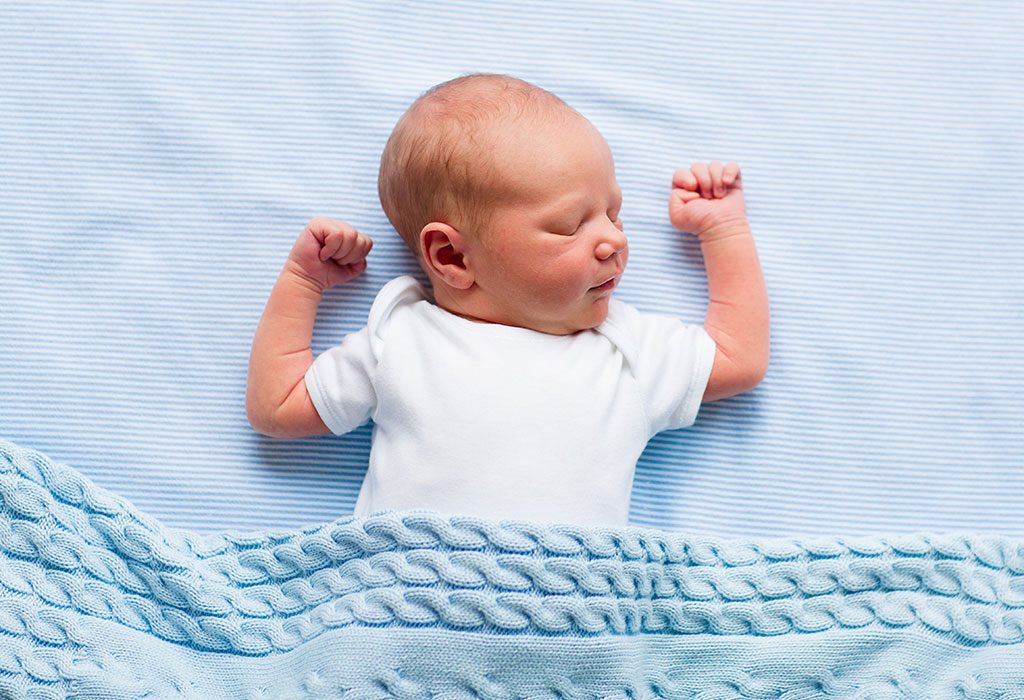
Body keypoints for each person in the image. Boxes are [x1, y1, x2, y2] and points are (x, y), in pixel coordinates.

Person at [246, 73, 769, 526]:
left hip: (573, 627)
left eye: (614, 213)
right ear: (452, 257)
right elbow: (277, 407)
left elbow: (737, 358)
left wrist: (723, 233)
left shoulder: (626, 351)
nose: (614, 240)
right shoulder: (403, 339)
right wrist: (303, 282)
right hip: (408, 617)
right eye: (571, 226)